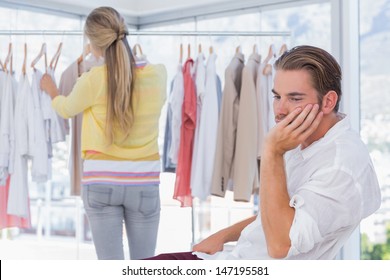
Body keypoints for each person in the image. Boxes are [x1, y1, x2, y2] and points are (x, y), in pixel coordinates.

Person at [145, 45, 381, 260]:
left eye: (294, 98)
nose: (279, 110)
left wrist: (272, 152)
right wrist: (224, 235)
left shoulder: (340, 166)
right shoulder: (304, 140)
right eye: (277, 97)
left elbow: (281, 246)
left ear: (328, 101)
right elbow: (279, 211)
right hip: (232, 258)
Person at [40, 6, 167, 260]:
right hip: (144, 183)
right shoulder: (158, 75)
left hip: (101, 182)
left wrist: (52, 91)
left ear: (95, 45)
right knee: (144, 265)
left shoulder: (92, 79)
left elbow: (66, 109)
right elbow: (138, 74)